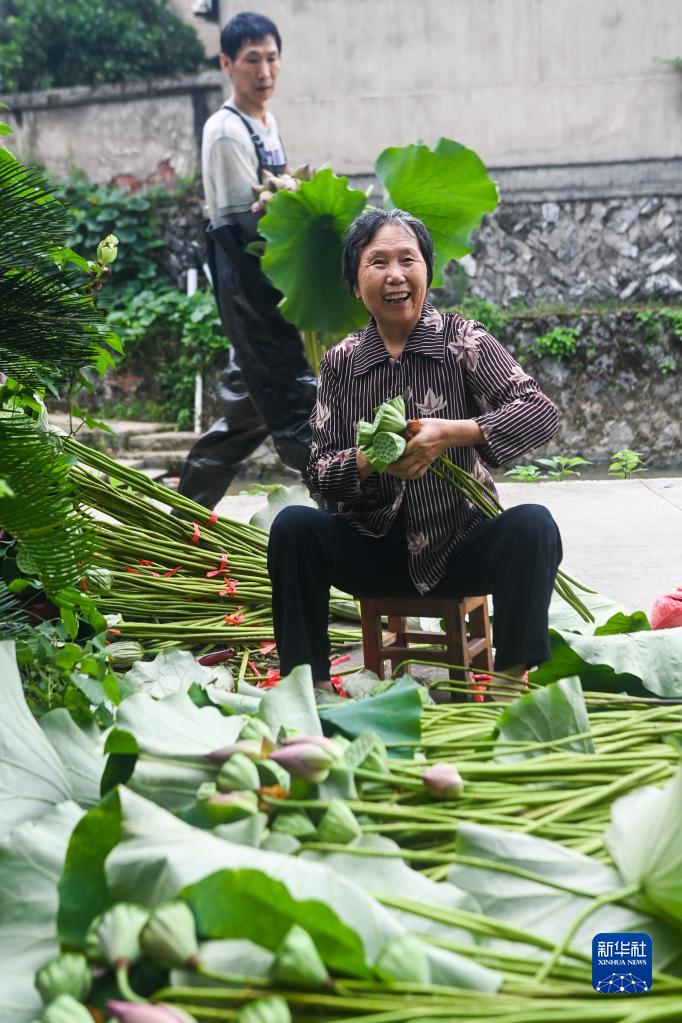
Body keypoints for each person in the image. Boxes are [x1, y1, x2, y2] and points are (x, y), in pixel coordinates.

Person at [267, 209, 563, 694]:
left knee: (534, 525)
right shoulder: (342, 364)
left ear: (426, 270)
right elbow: (317, 473)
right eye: (377, 262)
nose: (395, 275)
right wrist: (369, 459)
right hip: (372, 550)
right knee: (294, 528)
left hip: (459, 546)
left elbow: (539, 412)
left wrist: (453, 432)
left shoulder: (464, 342)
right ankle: (309, 687)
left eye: (408, 259)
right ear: (354, 281)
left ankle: (511, 679)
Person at [176, 11, 316, 510]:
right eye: (252, 60)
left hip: (269, 282)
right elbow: (249, 225)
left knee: (245, 411)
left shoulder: (267, 122)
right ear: (227, 64)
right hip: (249, 285)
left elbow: (273, 200)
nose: (265, 72)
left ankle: (183, 517)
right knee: (297, 406)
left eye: (272, 59)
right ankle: (350, 514)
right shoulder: (226, 131)